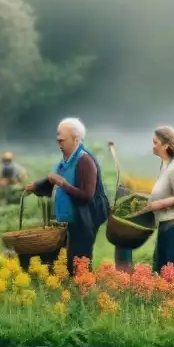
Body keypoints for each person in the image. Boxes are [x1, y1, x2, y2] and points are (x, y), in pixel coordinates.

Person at [26, 117, 109, 274]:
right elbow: (53, 179)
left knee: (79, 259)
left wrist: (64, 184)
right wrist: (36, 187)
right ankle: (69, 288)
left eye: (62, 137)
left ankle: (83, 291)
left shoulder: (85, 161)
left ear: (76, 139)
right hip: (67, 218)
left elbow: (87, 195)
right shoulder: (64, 161)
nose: (58, 139)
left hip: (85, 218)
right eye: (58, 136)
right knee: (63, 259)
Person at [144, 126, 174, 276]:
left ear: (165, 145)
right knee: (159, 272)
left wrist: (158, 204)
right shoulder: (165, 165)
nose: (153, 146)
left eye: (155, 142)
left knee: (171, 276)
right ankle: (165, 299)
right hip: (167, 226)